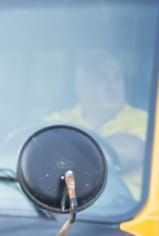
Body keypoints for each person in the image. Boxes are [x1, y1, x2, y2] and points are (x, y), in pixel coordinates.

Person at [49, 50, 149, 195]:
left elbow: (128, 153)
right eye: (101, 79)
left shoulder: (143, 120)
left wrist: (64, 157)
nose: (112, 86)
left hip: (123, 212)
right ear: (80, 86)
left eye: (117, 78)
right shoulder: (59, 119)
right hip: (66, 208)